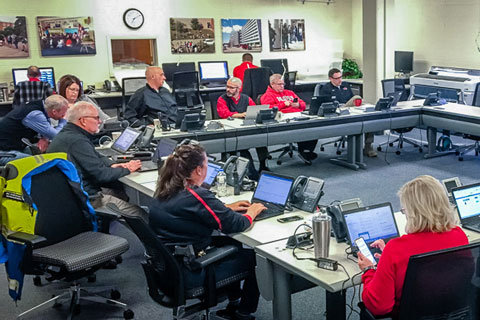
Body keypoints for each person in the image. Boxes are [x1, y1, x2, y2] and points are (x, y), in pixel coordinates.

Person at [149, 142, 266, 320]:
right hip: (191, 270)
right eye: (206, 165)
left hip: (170, 267)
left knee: (233, 243)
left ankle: (234, 300)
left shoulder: (165, 187)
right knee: (255, 258)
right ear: (197, 170)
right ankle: (243, 312)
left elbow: (190, 211)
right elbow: (236, 225)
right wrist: (253, 211)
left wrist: (225, 208)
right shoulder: (196, 194)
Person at [357, 175, 469, 317]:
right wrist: (388, 259)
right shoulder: (459, 235)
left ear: (414, 213)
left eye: (405, 210)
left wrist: (368, 270)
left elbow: (378, 307)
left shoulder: (396, 249)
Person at [47, 102, 145, 219]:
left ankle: (109, 228)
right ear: (83, 120)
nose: (99, 121)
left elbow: (96, 155)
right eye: (96, 118)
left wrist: (113, 165)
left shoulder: (68, 135)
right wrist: (128, 169)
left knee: (119, 192)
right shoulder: (77, 141)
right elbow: (102, 175)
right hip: (86, 197)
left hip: (71, 193)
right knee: (139, 213)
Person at [261, 74, 318, 165]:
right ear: (272, 84)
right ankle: (304, 151)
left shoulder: (289, 92)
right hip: (283, 119)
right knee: (303, 129)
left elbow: (303, 104)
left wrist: (298, 105)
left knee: (314, 127)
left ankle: (306, 151)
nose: (282, 86)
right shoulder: (267, 95)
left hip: (298, 116)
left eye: (283, 84)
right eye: (279, 84)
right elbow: (268, 108)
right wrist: (284, 104)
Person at [217, 77, 270, 174]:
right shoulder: (222, 99)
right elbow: (224, 113)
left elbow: (255, 110)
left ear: (239, 88)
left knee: (261, 140)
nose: (228, 89)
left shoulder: (246, 98)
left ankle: (263, 166)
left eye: (231, 87)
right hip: (230, 129)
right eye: (227, 86)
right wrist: (240, 115)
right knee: (243, 147)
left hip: (245, 125)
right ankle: (252, 173)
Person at [319, 68, 377, 157]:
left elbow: (352, 98)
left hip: (351, 109)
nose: (340, 80)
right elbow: (325, 104)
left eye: (340, 77)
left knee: (368, 118)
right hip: (338, 112)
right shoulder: (326, 88)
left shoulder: (345, 85)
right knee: (357, 99)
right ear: (330, 79)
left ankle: (368, 146)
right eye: (337, 78)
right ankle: (354, 150)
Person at [0, 95, 69, 165]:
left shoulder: (39, 107)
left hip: (14, 146)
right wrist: (63, 121)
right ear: (54, 111)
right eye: (64, 113)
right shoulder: (35, 114)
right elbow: (56, 136)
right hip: (5, 152)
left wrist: (45, 137)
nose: (64, 115)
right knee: (40, 163)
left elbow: (46, 131)